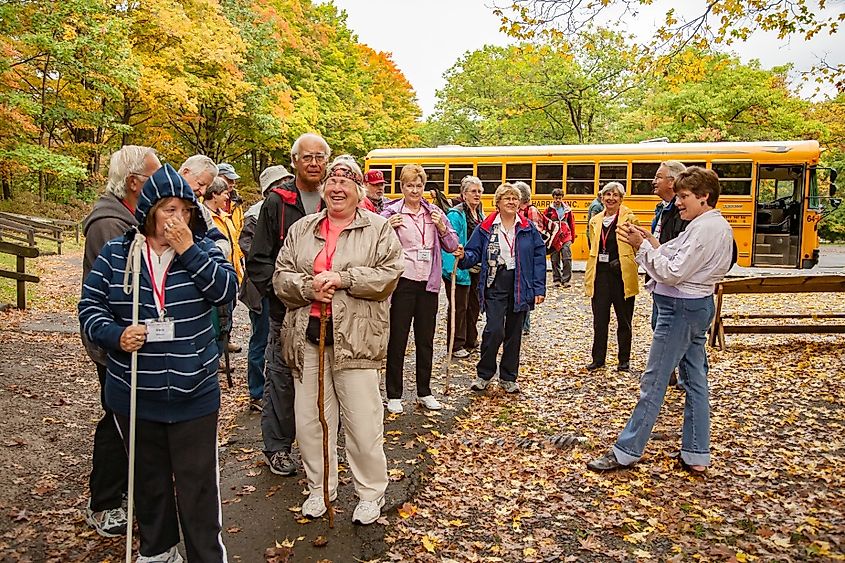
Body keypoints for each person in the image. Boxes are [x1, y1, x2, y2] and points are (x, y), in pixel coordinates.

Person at [79, 163, 238, 563]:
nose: (177, 218)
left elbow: (226, 292)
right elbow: (89, 307)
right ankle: (159, 551)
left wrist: (188, 249)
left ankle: (206, 556)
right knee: (149, 484)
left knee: (198, 487)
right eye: (168, 209)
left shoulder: (205, 246)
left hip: (194, 392)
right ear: (149, 210)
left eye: (184, 209)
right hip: (134, 392)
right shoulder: (119, 253)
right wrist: (115, 335)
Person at [273, 156, 404, 525]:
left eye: (346, 182)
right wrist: (307, 286)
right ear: (323, 189)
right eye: (332, 181)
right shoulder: (302, 228)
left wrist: (343, 279)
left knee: (363, 422)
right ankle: (320, 488)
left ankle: (369, 493)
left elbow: (389, 276)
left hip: (357, 341)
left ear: (359, 191)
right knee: (312, 421)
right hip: (308, 339)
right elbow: (281, 278)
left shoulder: (378, 229)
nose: (337, 187)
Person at [587, 166, 733, 474]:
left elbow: (673, 271)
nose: (678, 203)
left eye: (684, 197)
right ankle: (696, 452)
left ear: (704, 197)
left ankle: (627, 450)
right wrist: (649, 240)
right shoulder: (706, 225)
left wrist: (641, 248)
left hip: (680, 310)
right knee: (695, 381)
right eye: (678, 196)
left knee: (653, 382)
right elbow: (671, 253)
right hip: (694, 307)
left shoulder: (706, 228)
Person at [80, 145, 161, 538]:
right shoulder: (109, 224)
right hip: (115, 342)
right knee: (117, 419)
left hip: (135, 340)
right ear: (134, 183)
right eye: (153, 177)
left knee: (133, 419)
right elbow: (109, 292)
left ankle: (125, 491)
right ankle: (105, 501)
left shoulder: (128, 215)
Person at [246, 132, 330, 476]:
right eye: (306, 157)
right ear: (294, 161)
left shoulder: (336, 199)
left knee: (321, 379)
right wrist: (283, 293)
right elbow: (258, 260)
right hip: (286, 310)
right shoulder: (277, 203)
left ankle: (319, 443)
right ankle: (277, 448)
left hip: (327, 311)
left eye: (319, 157)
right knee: (281, 378)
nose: (313, 163)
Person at [381, 164, 459, 414]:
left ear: (424, 187)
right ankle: (394, 394)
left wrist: (442, 228)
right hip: (402, 282)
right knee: (398, 339)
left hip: (428, 284)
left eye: (419, 185)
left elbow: (452, 244)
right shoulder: (390, 213)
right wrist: (387, 228)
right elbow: (375, 245)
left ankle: (424, 391)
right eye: (409, 185)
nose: (415, 190)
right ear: (402, 187)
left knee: (425, 339)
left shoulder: (434, 212)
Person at [456, 183, 546, 394]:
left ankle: (508, 377)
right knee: (494, 330)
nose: (511, 202)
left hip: (520, 284)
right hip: (495, 283)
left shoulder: (527, 228)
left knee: (515, 333)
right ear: (497, 203)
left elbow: (539, 257)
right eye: (507, 198)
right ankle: (484, 373)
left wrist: (539, 288)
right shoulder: (486, 227)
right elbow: (472, 253)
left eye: (515, 198)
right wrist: (462, 257)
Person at [239, 165, 293, 411]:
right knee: (260, 339)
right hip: (261, 289)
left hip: (285, 287)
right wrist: (274, 275)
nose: (285, 186)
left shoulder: (293, 207)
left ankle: (279, 388)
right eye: (280, 183)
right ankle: (257, 392)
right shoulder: (256, 213)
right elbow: (249, 248)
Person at [584, 182, 639, 372]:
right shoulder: (596, 220)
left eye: (615, 195)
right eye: (607, 194)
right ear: (601, 197)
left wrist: (625, 261)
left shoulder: (629, 218)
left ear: (621, 199)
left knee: (624, 319)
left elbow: (638, 247)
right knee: (600, 319)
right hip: (600, 275)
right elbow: (593, 243)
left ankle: (624, 360)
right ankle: (598, 358)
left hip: (621, 275)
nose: (611, 198)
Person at [441, 175, 485, 359]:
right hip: (459, 267)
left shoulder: (480, 213)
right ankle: (456, 344)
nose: (477, 194)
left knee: (474, 305)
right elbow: (450, 243)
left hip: (476, 267)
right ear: (464, 194)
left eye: (480, 191)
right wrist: (453, 270)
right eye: (473, 191)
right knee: (459, 306)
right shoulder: (456, 214)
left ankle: (470, 338)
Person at [513, 181, 548, 336]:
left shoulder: (530, 212)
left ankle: (524, 326)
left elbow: (534, 237)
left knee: (525, 291)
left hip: (526, 259)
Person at [544, 188, 576, 288]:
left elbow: (572, 223)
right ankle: (556, 279)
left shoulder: (568, 210)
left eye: (559, 198)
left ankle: (566, 280)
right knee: (554, 258)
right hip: (554, 237)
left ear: (562, 198)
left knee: (567, 257)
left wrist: (572, 237)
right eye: (556, 198)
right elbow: (544, 223)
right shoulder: (549, 210)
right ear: (553, 198)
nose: (558, 200)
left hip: (566, 236)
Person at [217, 163, 244, 235]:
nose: (233, 183)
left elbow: (241, 227)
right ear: (217, 178)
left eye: (233, 179)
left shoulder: (236, 200)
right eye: (229, 179)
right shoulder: (204, 200)